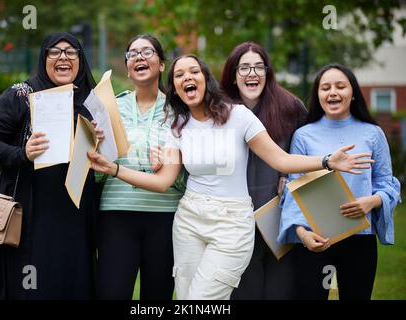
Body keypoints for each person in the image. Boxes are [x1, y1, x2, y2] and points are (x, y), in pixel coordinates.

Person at [88, 55, 373, 300]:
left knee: (202, 298)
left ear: (205, 79)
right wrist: (114, 169)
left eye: (193, 71)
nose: (187, 77)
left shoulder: (238, 117)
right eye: (179, 75)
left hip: (233, 224)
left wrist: (326, 161)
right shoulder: (177, 125)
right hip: (189, 220)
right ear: (174, 86)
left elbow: (280, 159)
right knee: (187, 294)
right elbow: (163, 181)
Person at [0, 32, 101, 299]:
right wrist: (23, 152)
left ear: (80, 60)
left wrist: (97, 143)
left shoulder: (89, 103)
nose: (63, 57)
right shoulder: (21, 94)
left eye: (71, 51)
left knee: (72, 282)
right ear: (43, 58)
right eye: (54, 51)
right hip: (31, 215)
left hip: (75, 216)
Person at [277, 63, 401, 300]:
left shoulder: (373, 134)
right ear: (318, 95)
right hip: (314, 240)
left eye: (340, 86)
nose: (332, 92)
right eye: (325, 88)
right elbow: (294, 189)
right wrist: (302, 234)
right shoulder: (303, 135)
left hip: (359, 240)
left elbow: (387, 183)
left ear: (353, 93)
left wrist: (372, 202)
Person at [95, 34, 184, 300]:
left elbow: (186, 177)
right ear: (127, 66)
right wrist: (95, 148)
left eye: (147, 52)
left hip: (165, 217)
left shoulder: (179, 111)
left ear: (161, 65)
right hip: (115, 214)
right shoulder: (109, 106)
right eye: (132, 54)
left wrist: (168, 169)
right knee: (111, 292)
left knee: (156, 298)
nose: (139, 57)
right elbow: (96, 174)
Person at [220, 41, 307, 299]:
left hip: (279, 217)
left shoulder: (290, 107)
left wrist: (288, 176)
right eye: (244, 68)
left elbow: (307, 149)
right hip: (234, 220)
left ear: (268, 73)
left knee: (279, 291)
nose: (252, 74)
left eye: (259, 67)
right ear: (233, 75)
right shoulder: (219, 111)